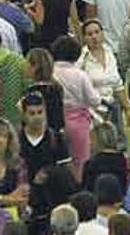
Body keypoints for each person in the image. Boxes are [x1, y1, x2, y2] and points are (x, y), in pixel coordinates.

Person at [18, 91, 76, 235]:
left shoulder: (55, 138)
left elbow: (67, 170)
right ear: (24, 115)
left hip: (52, 202)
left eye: (40, 112)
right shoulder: (16, 140)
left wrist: (50, 172)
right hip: (26, 203)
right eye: (32, 113)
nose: (37, 117)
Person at [51, 36, 101, 180]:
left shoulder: (51, 73)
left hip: (55, 120)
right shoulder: (80, 75)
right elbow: (94, 100)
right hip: (78, 123)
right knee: (80, 161)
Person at [77, 19, 130, 135]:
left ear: (102, 33)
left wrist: (127, 108)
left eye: (97, 32)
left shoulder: (109, 53)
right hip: (92, 111)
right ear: (84, 38)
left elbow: (117, 85)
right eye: (89, 34)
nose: (94, 37)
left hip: (112, 108)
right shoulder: (82, 59)